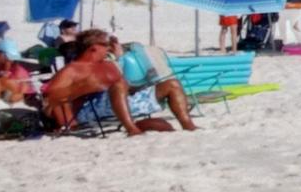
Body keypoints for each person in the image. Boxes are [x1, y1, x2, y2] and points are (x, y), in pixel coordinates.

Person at [42, 31, 194, 135]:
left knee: (171, 83)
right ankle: (131, 129)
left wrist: (131, 83)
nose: (109, 47)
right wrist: (84, 88)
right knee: (119, 85)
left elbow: (124, 84)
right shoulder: (72, 70)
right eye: (106, 44)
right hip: (90, 110)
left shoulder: (108, 65)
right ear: (93, 48)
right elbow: (50, 100)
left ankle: (188, 125)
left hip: (121, 102)